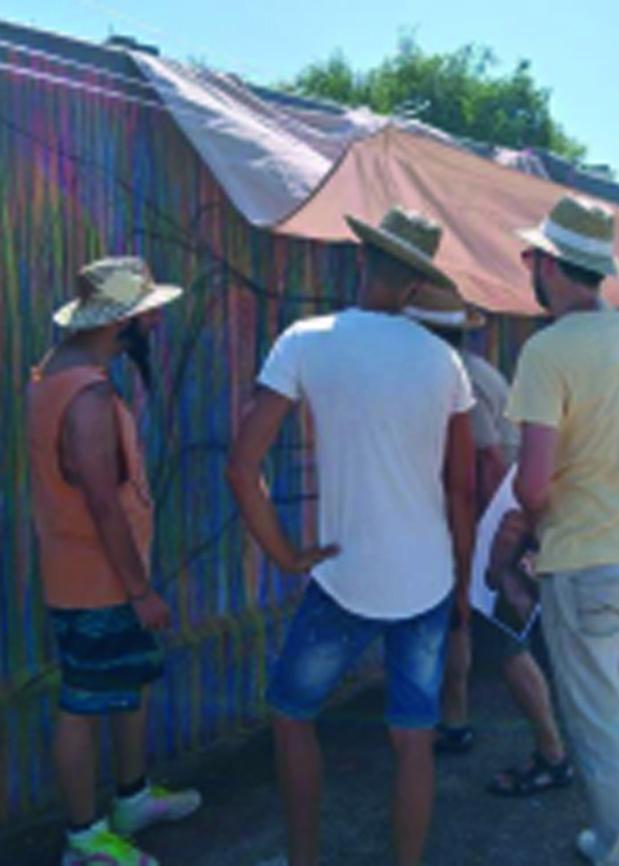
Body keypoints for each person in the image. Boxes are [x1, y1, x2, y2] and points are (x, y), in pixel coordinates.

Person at [226, 208, 476, 866]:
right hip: (425, 580)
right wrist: (460, 582)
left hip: (343, 576)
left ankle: (303, 860)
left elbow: (240, 465)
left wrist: (284, 554)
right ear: (419, 286)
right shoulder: (446, 365)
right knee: (413, 739)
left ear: (362, 261)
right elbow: (461, 489)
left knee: (291, 714)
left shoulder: (305, 341)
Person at [504, 194, 619, 865]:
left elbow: (530, 485)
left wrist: (527, 523)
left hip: (581, 562)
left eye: (531, 257)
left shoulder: (546, 351)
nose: (528, 268)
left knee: (597, 723)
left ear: (551, 265)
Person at [26, 256, 201, 866]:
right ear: (119, 322)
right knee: (84, 702)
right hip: (96, 582)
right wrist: (138, 590)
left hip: (102, 576)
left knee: (128, 685)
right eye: (145, 313)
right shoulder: (87, 395)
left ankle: (132, 798)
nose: (153, 322)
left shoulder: (60, 374)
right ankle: (84, 837)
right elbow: (102, 502)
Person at [403, 296, 575, 799]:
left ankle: (552, 752)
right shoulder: (472, 372)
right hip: (496, 522)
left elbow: (491, 466)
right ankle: (454, 721)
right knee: (462, 623)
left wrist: (477, 547)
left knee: (506, 644)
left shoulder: (461, 381)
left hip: (493, 526)